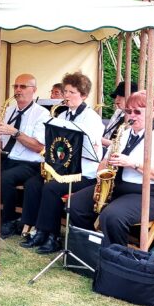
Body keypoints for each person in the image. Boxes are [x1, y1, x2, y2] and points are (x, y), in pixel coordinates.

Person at [68, 91, 154, 247]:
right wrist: (106, 164)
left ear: (153, 111)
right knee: (75, 203)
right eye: (128, 112)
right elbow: (102, 165)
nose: (131, 116)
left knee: (112, 215)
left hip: (148, 193)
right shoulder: (124, 133)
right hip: (116, 187)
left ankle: (117, 257)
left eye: (137, 112)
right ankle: (90, 249)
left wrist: (133, 163)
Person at [20, 72, 105, 253]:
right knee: (34, 183)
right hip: (64, 170)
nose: (66, 96)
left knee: (51, 188)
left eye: (72, 92)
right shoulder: (63, 116)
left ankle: (53, 236)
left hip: (85, 173)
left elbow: (91, 148)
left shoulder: (92, 118)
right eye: (65, 91)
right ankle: (38, 229)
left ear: (83, 95)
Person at [0, 74, 48, 237]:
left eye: (23, 87)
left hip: (30, 163)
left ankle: (9, 220)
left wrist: (15, 133)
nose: (18, 90)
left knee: (5, 178)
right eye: (16, 86)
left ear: (34, 90)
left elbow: (38, 147)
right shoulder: (8, 111)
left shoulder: (42, 114)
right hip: (8, 158)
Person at [102, 80, 137, 149]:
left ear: (131, 97)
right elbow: (108, 135)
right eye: (116, 96)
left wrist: (99, 140)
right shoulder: (118, 112)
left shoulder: (136, 119)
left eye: (121, 96)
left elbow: (124, 146)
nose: (116, 100)